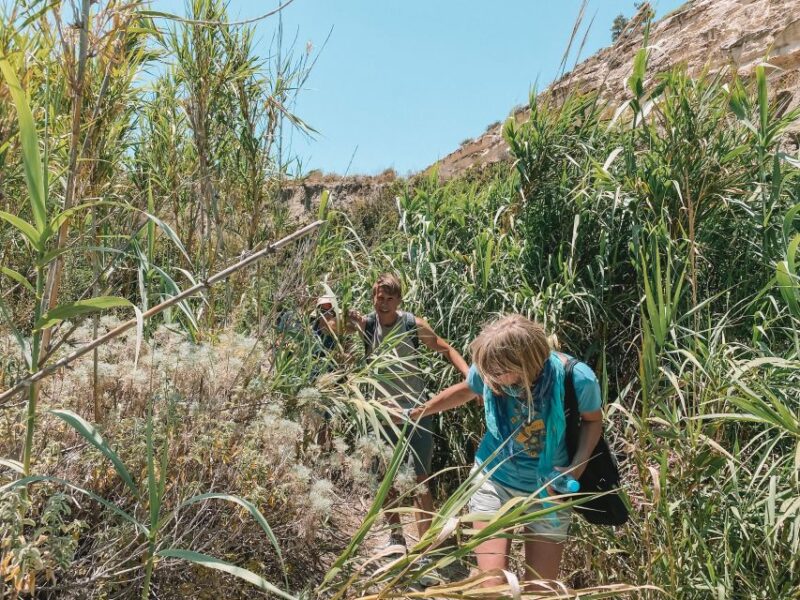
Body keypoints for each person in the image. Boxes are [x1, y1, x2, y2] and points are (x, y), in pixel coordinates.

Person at [399, 314, 603, 588]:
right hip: (494, 479)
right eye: (487, 370)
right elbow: (465, 390)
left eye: (500, 371)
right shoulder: (489, 367)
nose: (490, 377)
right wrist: (415, 413)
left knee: (539, 590)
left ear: (527, 363)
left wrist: (573, 469)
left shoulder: (576, 379)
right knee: (492, 586)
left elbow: (593, 422)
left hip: (550, 488)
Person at [356, 273, 469, 550]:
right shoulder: (367, 325)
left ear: (399, 300)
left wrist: (470, 377)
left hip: (417, 411)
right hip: (381, 414)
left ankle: (426, 546)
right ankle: (395, 538)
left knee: (421, 480)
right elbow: (334, 328)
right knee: (384, 477)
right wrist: (341, 317)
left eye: (389, 299)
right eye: (379, 298)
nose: (383, 304)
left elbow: (445, 347)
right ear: (373, 297)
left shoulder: (412, 325)